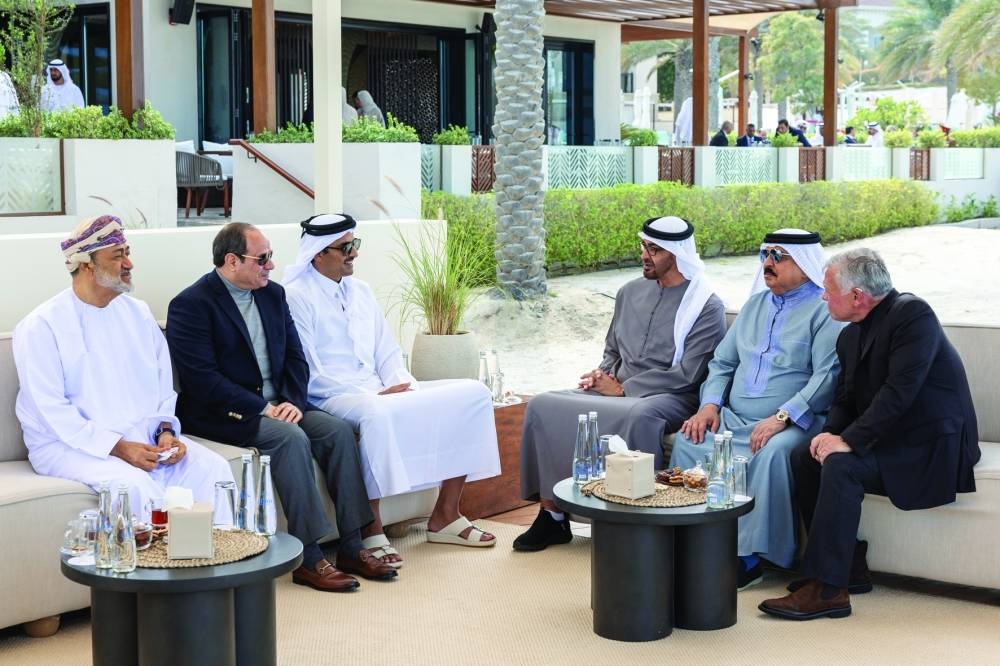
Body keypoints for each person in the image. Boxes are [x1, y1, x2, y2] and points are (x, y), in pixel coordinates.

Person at [166, 223, 397, 592]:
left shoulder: (274, 295)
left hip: (283, 404)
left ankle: (353, 545)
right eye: (263, 259)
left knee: (336, 431)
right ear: (231, 261)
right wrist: (264, 408)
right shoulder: (191, 305)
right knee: (290, 439)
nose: (271, 266)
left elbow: (296, 357)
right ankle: (308, 557)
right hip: (226, 415)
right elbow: (201, 380)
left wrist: (290, 400)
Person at [760, 248, 981, 621]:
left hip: (932, 445)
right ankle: (847, 567)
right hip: (890, 437)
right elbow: (846, 398)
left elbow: (901, 391)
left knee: (843, 465)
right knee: (805, 455)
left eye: (828, 290)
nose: (822, 296)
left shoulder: (913, 315)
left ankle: (829, 590)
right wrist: (828, 435)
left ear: (858, 296)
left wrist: (847, 441)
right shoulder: (849, 336)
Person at [283, 214, 502, 567]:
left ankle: (445, 514)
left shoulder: (362, 291)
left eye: (355, 245)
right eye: (345, 247)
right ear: (318, 254)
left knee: (473, 393)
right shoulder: (296, 296)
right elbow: (308, 373)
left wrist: (403, 385)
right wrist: (374, 396)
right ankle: (373, 528)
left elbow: (387, 353)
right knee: (375, 412)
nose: (353, 253)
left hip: (378, 389)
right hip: (332, 395)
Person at [515, 216, 728, 551]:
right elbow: (612, 350)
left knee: (640, 415)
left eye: (655, 250)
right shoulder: (628, 292)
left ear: (676, 253)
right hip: (618, 389)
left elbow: (691, 372)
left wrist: (625, 390)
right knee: (543, 404)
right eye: (644, 246)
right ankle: (552, 516)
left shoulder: (706, 305)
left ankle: (635, 521)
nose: (645, 254)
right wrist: (602, 376)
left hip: (670, 396)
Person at [13, 215, 235, 516]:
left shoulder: (138, 313)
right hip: (68, 447)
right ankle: (156, 562)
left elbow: (162, 387)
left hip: (141, 437)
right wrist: (118, 447)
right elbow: (51, 409)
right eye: (118, 256)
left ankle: (221, 558)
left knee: (213, 469)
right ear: (87, 265)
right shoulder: (42, 325)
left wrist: (165, 433)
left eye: (128, 253)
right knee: (134, 487)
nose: (129, 264)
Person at [670, 229, 842, 588]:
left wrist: (782, 418)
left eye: (779, 257)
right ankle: (687, 538)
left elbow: (828, 375)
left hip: (794, 420)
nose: (768, 264)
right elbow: (722, 364)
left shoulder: (825, 311)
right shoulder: (754, 306)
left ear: (805, 263)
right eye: (766, 255)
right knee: (690, 439)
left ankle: (750, 557)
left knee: (772, 452)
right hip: (734, 416)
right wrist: (709, 406)